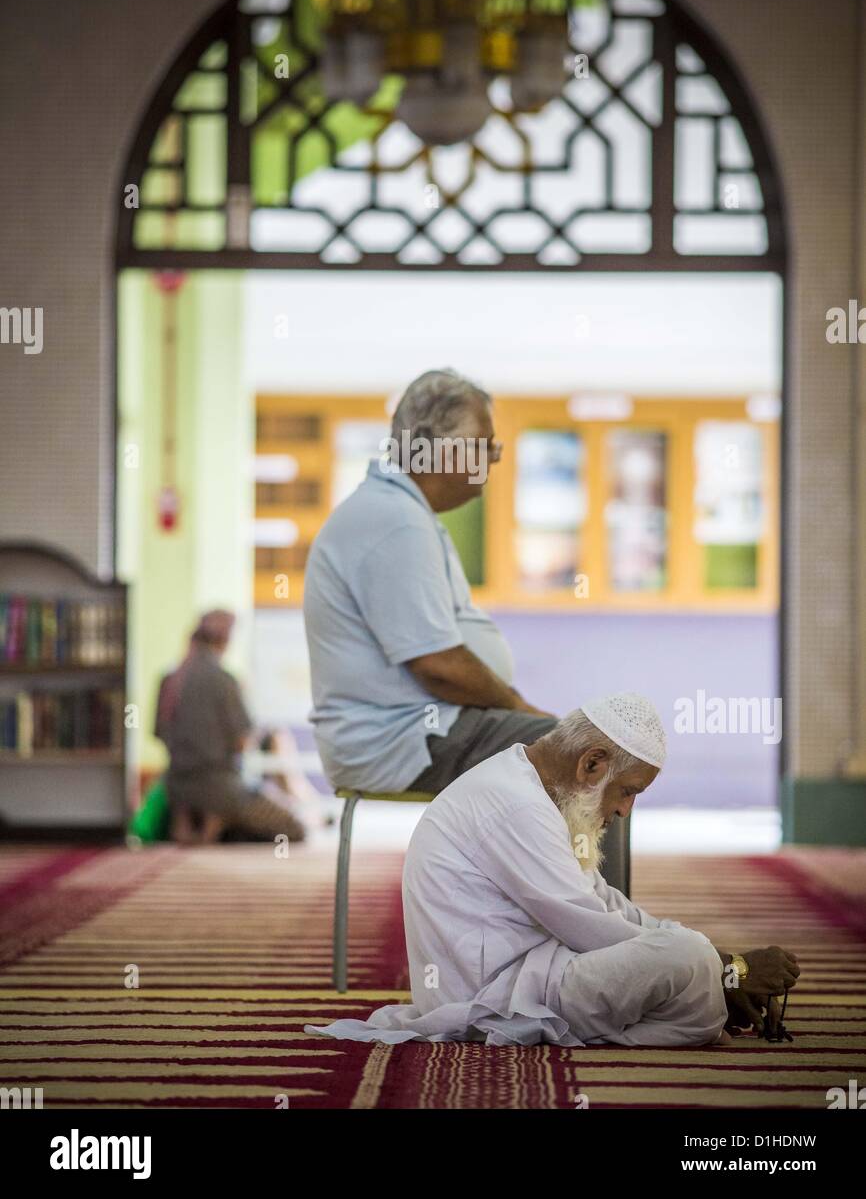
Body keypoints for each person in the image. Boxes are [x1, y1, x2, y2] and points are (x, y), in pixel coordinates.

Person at [306, 695, 800, 1047]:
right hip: (498, 994)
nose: (624, 810)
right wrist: (730, 969)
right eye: (627, 791)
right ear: (592, 763)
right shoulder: (516, 805)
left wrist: (723, 966)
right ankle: (691, 1004)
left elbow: (603, 901)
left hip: (536, 972)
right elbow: (589, 925)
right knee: (686, 957)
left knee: (683, 953)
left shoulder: (536, 789)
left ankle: (693, 1002)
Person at [303, 369, 557, 798]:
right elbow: (438, 667)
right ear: (444, 451)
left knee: (566, 747)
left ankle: (519, 868)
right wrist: (517, 705)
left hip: (416, 731)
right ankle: (565, 870)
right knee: (583, 753)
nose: (494, 459)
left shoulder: (401, 512)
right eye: (485, 446)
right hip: (401, 742)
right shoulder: (395, 522)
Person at [155, 610, 305, 845]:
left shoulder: (169, 679)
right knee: (293, 829)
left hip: (176, 788)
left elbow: (159, 735)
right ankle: (220, 821)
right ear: (225, 640)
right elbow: (243, 742)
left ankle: (208, 826)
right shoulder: (224, 680)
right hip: (223, 789)